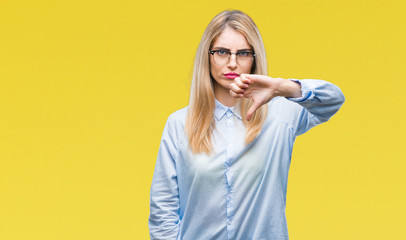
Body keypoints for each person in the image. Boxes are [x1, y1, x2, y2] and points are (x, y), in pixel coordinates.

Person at [148, 10, 345, 240]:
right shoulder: (179, 124)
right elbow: (163, 213)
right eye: (222, 52)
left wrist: (283, 87)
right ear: (208, 56)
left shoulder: (282, 113)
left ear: (254, 58)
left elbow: (333, 99)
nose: (232, 63)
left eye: (243, 53)